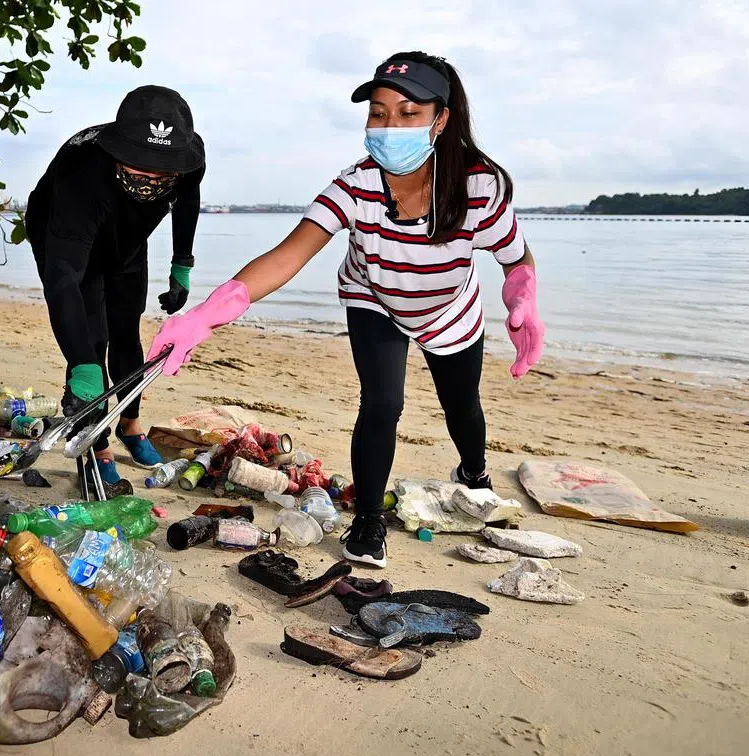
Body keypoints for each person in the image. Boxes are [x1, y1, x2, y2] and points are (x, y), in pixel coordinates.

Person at [146, 52, 545, 568]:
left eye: (408, 113)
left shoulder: (478, 185)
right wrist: (206, 313)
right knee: (382, 402)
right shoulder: (356, 184)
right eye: (378, 113)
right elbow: (289, 255)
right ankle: (368, 519)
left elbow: (516, 257)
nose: (389, 125)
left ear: (440, 119)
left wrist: (523, 297)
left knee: (461, 406)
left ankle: (473, 471)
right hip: (373, 296)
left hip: (448, 306)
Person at [26, 85, 205, 486]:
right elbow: (62, 279)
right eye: (140, 170)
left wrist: (182, 264)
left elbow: (188, 201)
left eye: (163, 175)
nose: (151, 181)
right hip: (69, 237)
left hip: (127, 238)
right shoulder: (81, 169)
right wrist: (83, 363)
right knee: (92, 344)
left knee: (127, 332)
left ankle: (130, 422)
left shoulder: (190, 160)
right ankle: (97, 441)